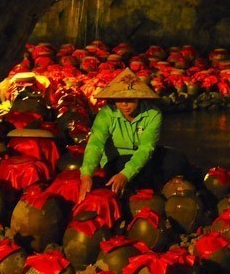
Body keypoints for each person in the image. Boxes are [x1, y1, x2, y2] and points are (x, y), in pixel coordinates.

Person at [78, 68, 188, 197]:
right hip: (116, 159)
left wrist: (125, 175)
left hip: (141, 155)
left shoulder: (153, 114)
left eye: (130, 99)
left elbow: (146, 148)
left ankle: (149, 183)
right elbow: (95, 144)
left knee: (177, 159)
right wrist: (86, 175)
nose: (125, 104)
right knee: (132, 169)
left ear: (138, 98)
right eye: (120, 100)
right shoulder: (106, 114)